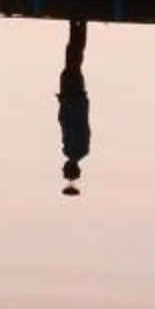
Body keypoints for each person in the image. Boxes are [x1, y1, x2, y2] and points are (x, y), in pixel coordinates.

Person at [57, 16, 91, 193]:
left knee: (75, 59)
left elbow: (82, 126)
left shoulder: (84, 151)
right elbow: (69, 123)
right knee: (73, 58)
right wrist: (65, 102)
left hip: (77, 99)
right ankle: (78, 23)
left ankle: (78, 25)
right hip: (72, 97)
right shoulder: (71, 149)